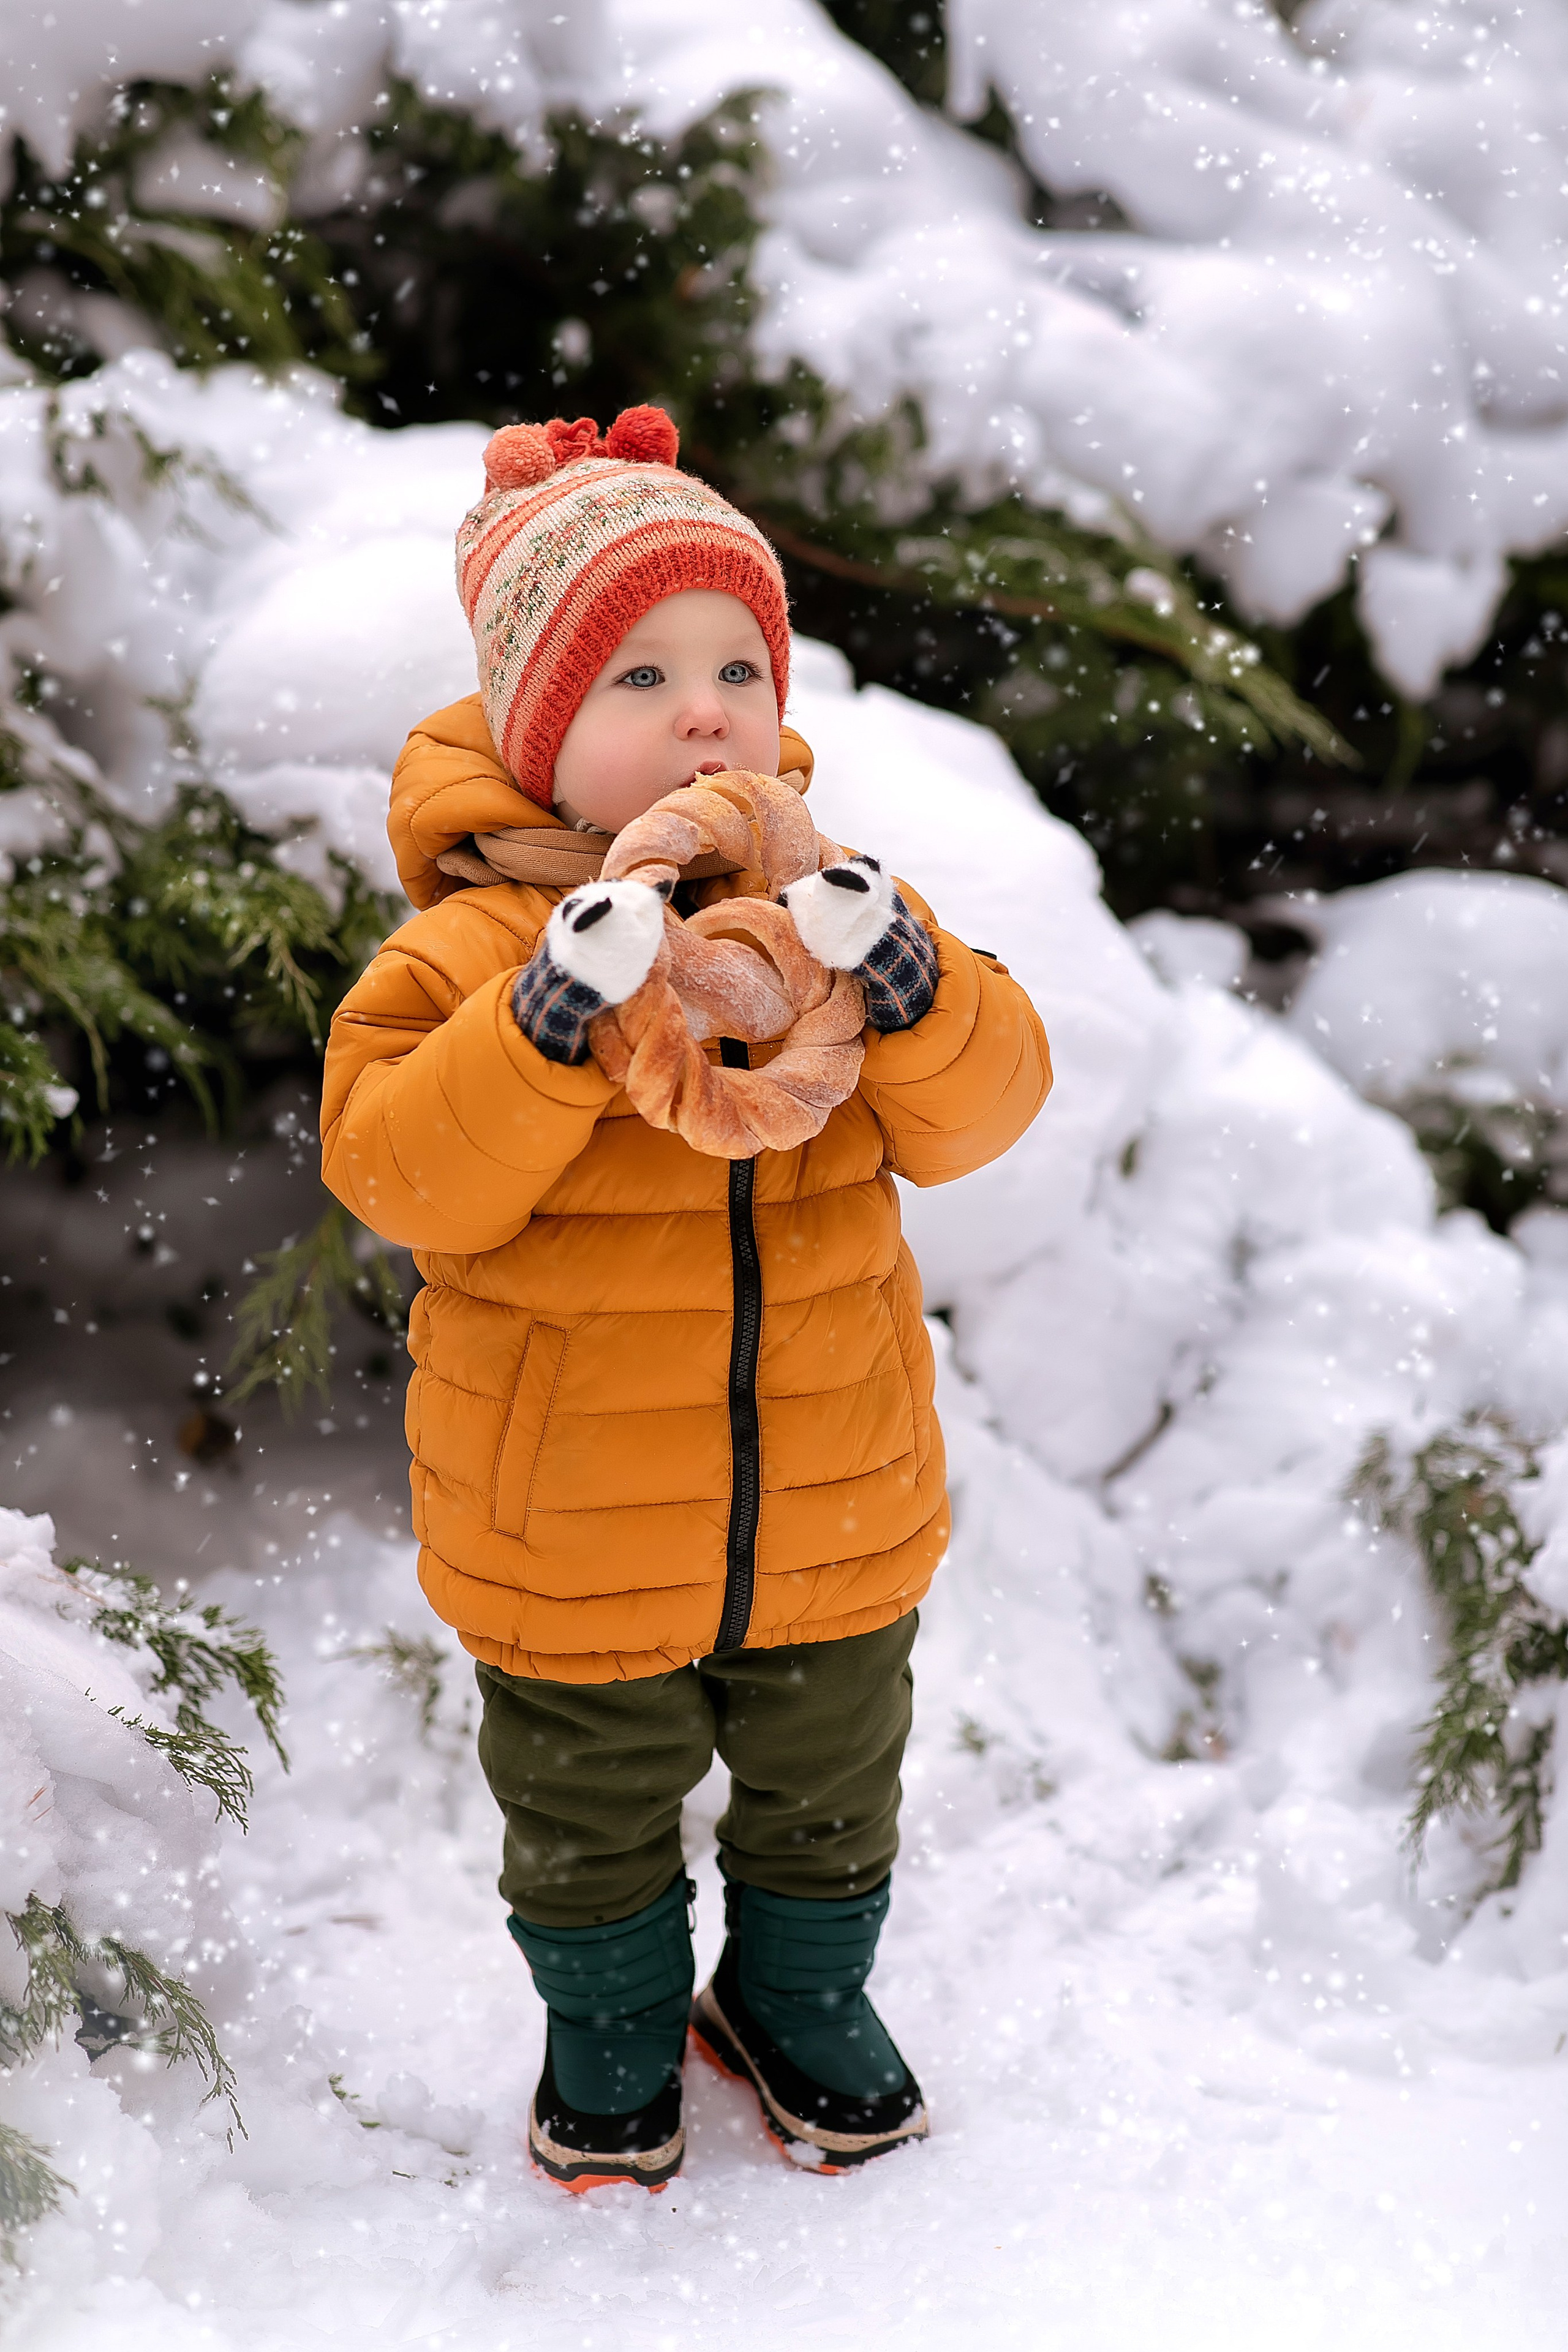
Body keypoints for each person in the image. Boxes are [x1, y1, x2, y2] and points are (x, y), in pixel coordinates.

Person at [320, 406, 1052, 2192]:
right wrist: (546, 1027)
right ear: (532, 724)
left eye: (737, 664)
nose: (706, 709)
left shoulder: (829, 925)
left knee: (832, 1783)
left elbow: (983, 1117)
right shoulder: (471, 956)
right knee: (585, 1807)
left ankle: (795, 2001)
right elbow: (399, 1171)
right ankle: (614, 2027)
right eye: (640, 674)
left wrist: (913, 983)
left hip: (829, 1488)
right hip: (567, 1515)